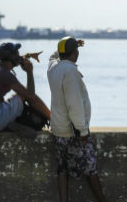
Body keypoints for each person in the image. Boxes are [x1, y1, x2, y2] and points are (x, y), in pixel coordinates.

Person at [47, 36, 108, 202]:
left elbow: (53, 57)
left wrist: (63, 49)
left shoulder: (53, 67)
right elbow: (74, 104)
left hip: (58, 129)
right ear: (75, 53)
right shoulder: (71, 71)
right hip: (72, 131)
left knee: (62, 169)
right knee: (90, 168)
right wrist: (82, 130)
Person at [0, 42, 51, 137]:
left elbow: (12, 60)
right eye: (17, 54)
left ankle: (9, 124)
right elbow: (31, 95)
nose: (19, 56)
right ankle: (53, 120)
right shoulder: (5, 75)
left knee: (16, 96)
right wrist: (29, 72)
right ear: (12, 58)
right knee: (24, 95)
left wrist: (28, 55)